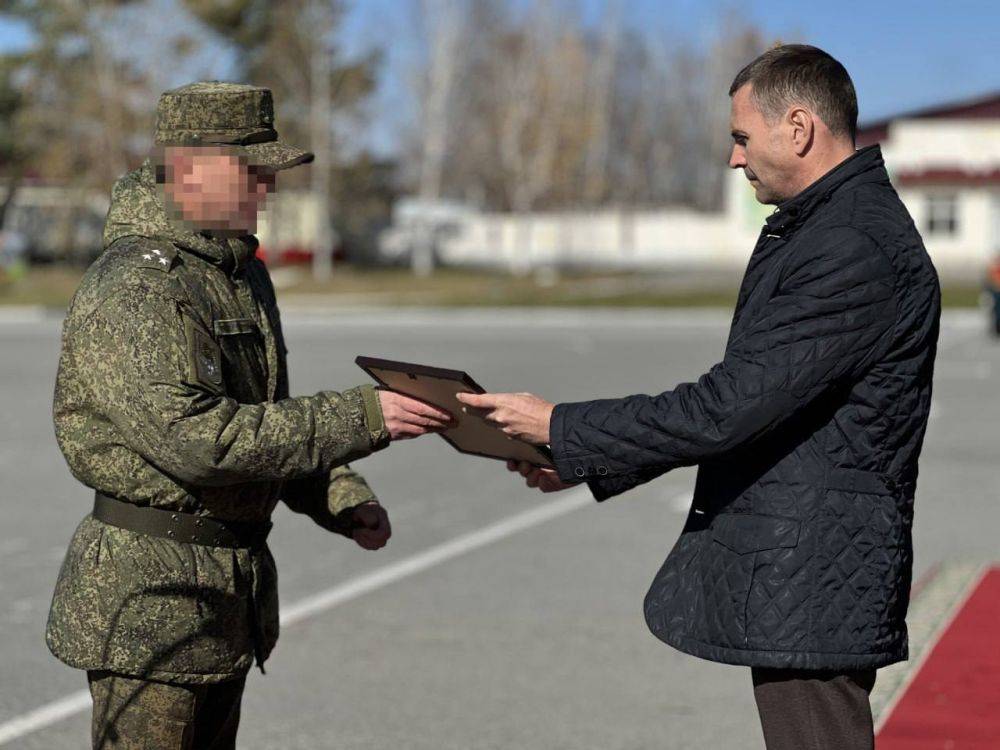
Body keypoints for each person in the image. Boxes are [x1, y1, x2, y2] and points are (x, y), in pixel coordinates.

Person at [458, 45, 940, 750]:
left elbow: (728, 407)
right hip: (805, 569)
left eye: (742, 137)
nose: (735, 159)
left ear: (799, 128)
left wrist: (561, 426)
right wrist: (586, 458)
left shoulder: (851, 246)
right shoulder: (827, 227)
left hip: (814, 574)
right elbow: (760, 408)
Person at [46, 81, 452, 749]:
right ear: (191, 167)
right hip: (150, 605)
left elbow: (263, 419)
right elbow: (199, 441)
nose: (266, 191)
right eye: (252, 173)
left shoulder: (234, 271)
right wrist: (363, 415)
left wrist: (337, 495)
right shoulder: (140, 284)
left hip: (221, 599)